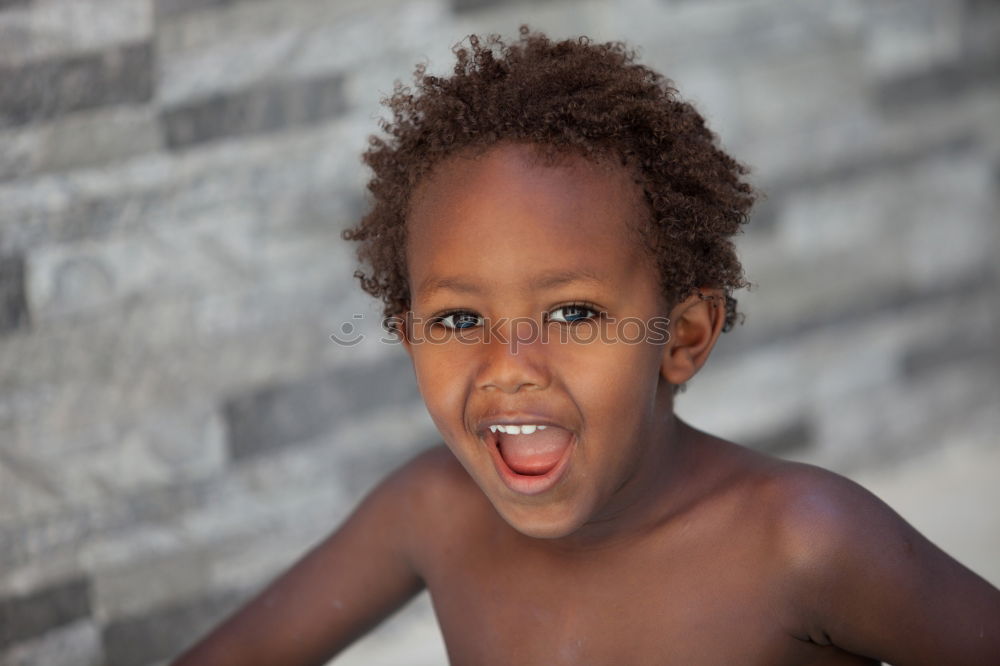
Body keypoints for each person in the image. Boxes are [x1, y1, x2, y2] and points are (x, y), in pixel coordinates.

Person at [173, 28, 1000, 665]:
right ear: (407, 335)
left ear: (682, 337)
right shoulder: (429, 512)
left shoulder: (803, 541)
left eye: (572, 314)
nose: (508, 368)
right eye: (459, 322)